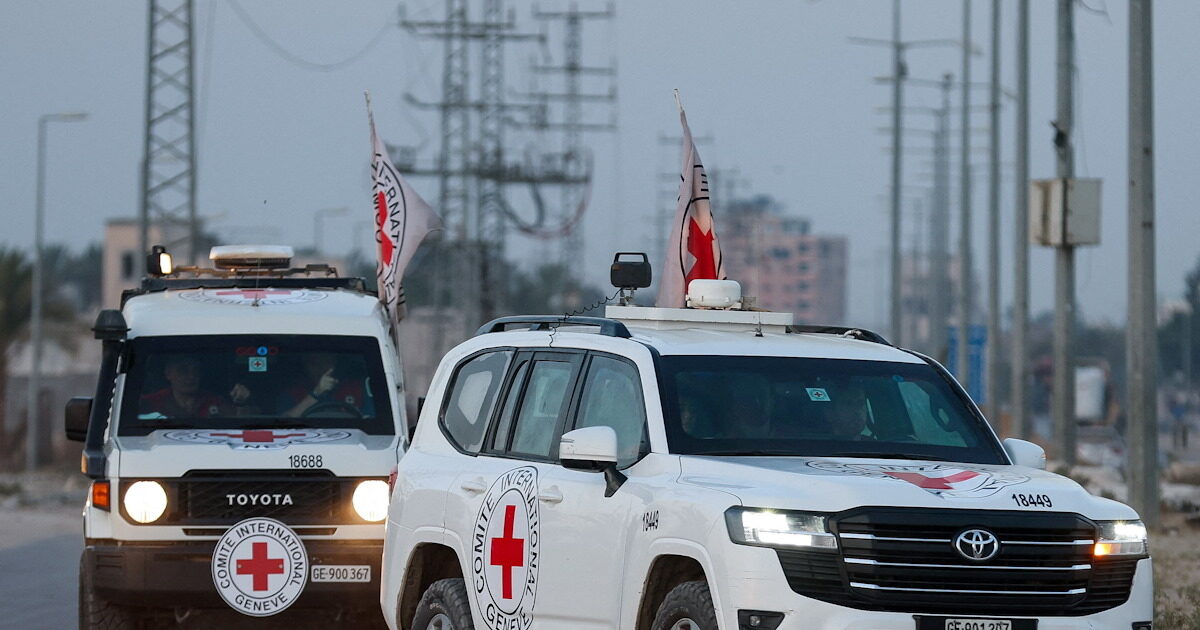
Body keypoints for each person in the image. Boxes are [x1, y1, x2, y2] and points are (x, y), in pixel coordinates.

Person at [140, 356, 250, 418]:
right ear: (168, 373)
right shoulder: (148, 402)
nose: (192, 376)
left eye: (196, 370)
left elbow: (242, 419)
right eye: (183, 370)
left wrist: (242, 402)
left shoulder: (214, 401)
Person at [279, 353, 371, 417]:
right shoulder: (293, 393)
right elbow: (283, 422)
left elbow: (370, 418)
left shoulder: (357, 388)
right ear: (305, 366)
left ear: (334, 363)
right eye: (314, 363)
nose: (320, 368)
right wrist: (316, 394)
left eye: (325, 362)